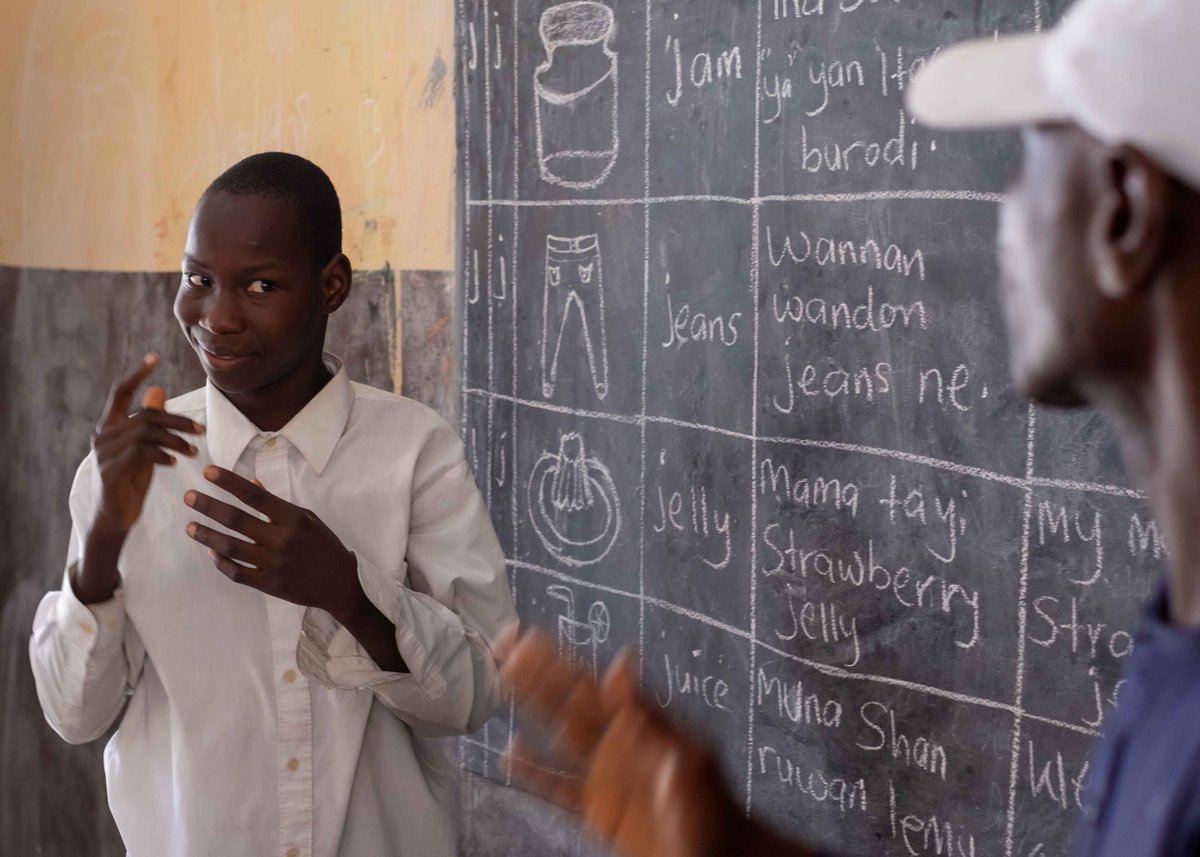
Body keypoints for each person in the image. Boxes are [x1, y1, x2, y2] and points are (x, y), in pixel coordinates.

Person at [501, 0, 1200, 855]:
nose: (1005, 213)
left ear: (1125, 212)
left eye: (1032, 160)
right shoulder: (1180, 631)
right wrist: (737, 846)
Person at [29, 152, 516, 857]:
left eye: (261, 284)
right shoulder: (131, 470)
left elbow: (476, 693)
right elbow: (74, 715)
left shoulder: (414, 452)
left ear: (332, 285)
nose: (217, 317)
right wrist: (101, 544)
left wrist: (350, 594)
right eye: (198, 279)